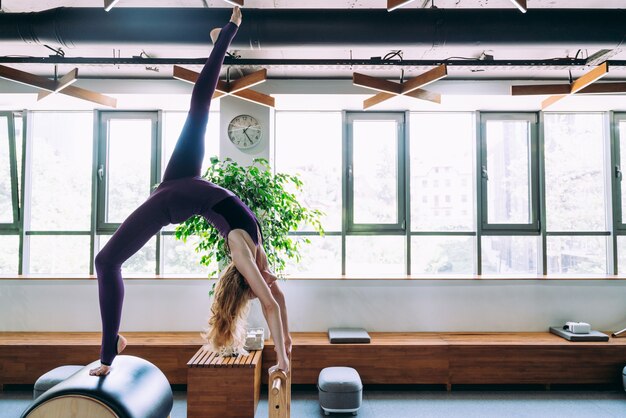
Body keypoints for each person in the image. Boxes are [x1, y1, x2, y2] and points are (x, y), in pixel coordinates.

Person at [90, 6, 291, 377]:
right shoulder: (260, 253)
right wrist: (286, 351)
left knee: (106, 262)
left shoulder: (244, 253)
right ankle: (224, 36)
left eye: (261, 281)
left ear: (246, 280)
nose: (270, 278)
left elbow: (269, 304)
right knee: (198, 107)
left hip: (174, 199)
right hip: (183, 181)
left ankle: (109, 349)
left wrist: (283, 359)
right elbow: (276, 301)